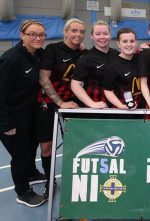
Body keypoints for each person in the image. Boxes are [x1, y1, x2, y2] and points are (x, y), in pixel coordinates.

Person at [36, 18, 86, 198]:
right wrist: (60, 102)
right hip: (49, 103)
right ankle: (50, 181)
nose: (78, 34)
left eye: (81, 32)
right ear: (65, 31)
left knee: (75, 145)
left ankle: (75, 180)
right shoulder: (52, 50)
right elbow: (44, 79)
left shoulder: (83, 53)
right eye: (74, 31)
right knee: (47, 147)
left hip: (73, 105)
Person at [0, 19, 46, 207]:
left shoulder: (39, 54)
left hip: (30, 115)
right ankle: (23, 192)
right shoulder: (11, 58)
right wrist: (6, 124)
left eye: (41, 35)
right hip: (12, 118)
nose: (37, 38)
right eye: (32, 34)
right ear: (22, 36)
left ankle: (32, 172)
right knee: (20, 156)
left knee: (31, 148)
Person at [71, 20, 119, 108]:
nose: (102, 37)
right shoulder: (86, 58)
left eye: (105, 33)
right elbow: (75, 85)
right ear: (92, 36)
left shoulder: (117, 54)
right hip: (98, 107)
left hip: (117, 105)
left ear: (110, 35)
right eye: (98, 34)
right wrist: (92, 104)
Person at [103, 28, 144, 111]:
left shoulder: (140, 58)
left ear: (136, 42)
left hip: (141, 110)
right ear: (118, 44)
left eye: (132, 41)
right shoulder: (112, 66)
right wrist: (121, 106)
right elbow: (108, 91)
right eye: (125, 41)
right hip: (123, 111)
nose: (129, 44)